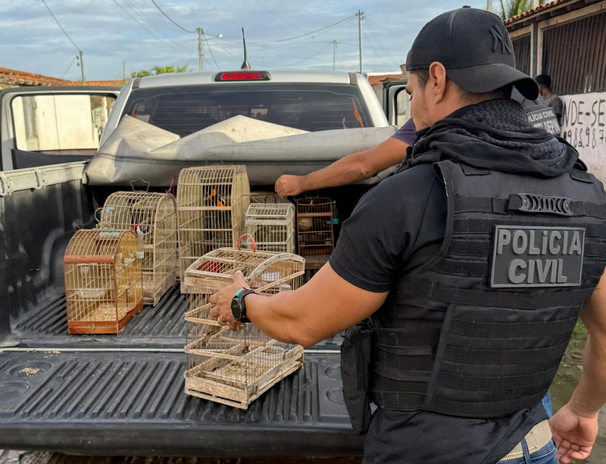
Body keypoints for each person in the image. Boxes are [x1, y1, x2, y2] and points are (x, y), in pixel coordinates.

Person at [210, 7, 606, 464]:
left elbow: (303, 322)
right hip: (533, 445)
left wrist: (242, 302)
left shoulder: (409, 196)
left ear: (436, 80)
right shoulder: (586, 195)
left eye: (411, 91)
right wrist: (584, 409)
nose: (413, 107)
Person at [274, 119, 414, 197]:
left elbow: (363, 166)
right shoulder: (418, 127)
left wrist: (301, 183)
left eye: (411, 94)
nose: (412, 101)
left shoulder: (418, 127)